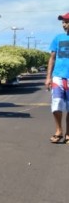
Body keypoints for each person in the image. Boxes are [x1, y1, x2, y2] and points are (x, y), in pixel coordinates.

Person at [45, 13, 69, 143]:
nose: (64, 25)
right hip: (58, 76)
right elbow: (52, 58)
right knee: (56, 103)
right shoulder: (57, 38)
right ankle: (59, 130)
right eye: (63, 22)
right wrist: (48, 77)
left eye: (66, 22)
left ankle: (68, 133)